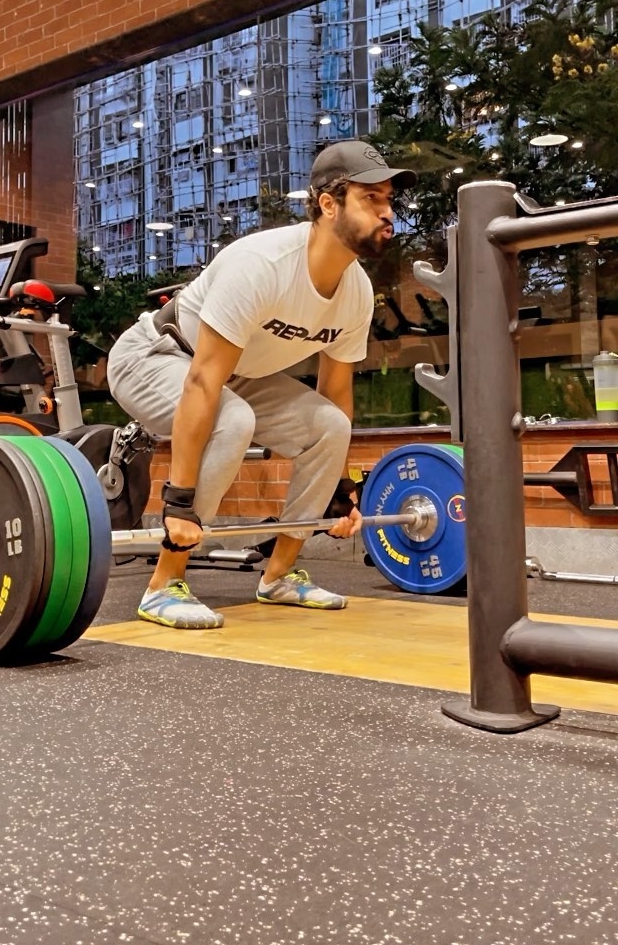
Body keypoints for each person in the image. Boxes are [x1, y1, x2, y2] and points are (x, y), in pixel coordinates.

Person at [107, 139, 417, 629]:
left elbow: (336, 390)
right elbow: (203, 382)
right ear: (328, 204)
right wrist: (179, 502)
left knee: (330, 426)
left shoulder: (356, 291)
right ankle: (163, 585)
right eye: (371, 198)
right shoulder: (262, 265)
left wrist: (339, 488)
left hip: (235, 375)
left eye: (389, 200)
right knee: (234, 419)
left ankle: (279, 575)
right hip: (154, 356)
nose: (387, 212)